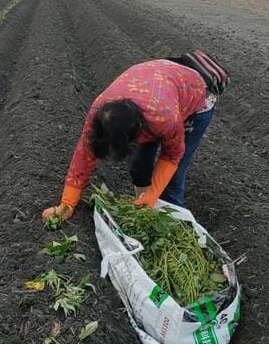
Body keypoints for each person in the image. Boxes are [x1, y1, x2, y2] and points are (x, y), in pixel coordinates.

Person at [42, 53, 228, 222]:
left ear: (134, 135)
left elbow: (172, 155)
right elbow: (85, 154)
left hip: (196, 91)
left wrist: (154, 193)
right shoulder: (100, 111)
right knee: (140, 166)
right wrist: (66, 205)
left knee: (173, 178)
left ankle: (175, 222)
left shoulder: (165, 119)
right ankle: (144, 207)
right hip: (159, 80)